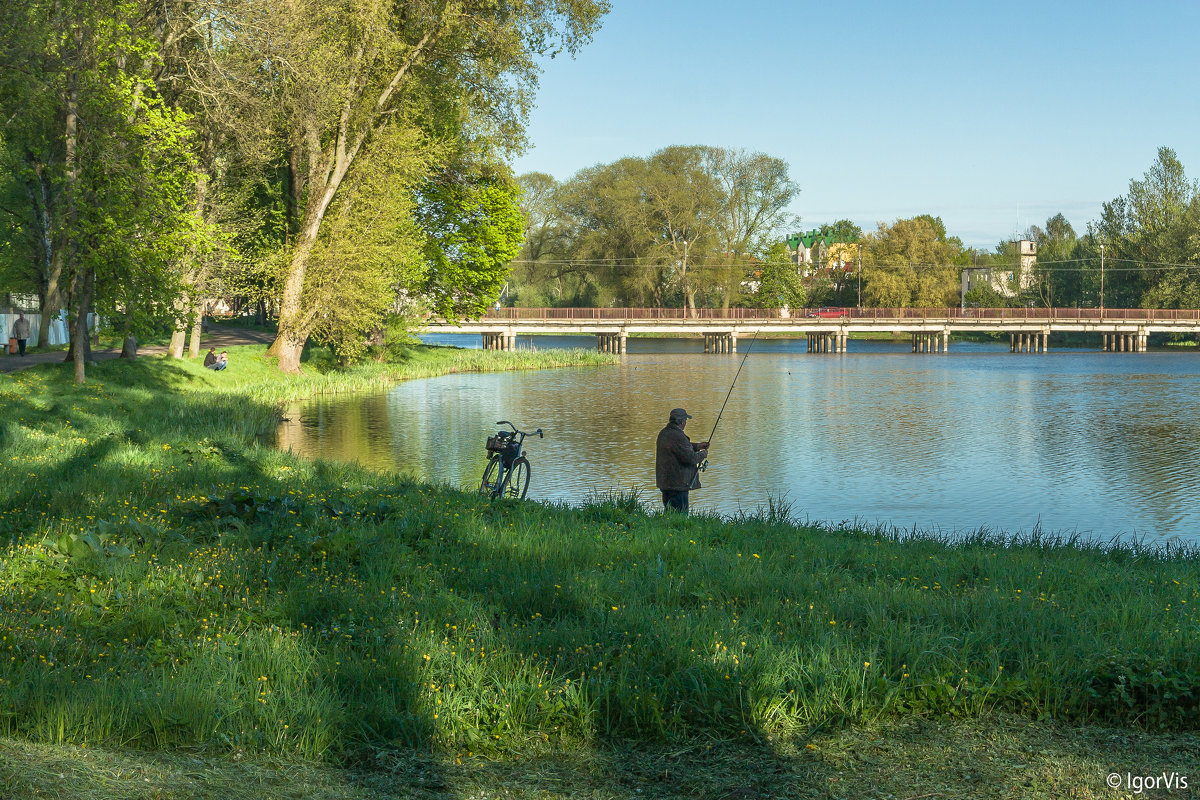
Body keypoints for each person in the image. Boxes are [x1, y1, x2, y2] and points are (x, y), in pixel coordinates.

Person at [655, 407, 709, 514]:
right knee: (680, 515)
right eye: (685, 420)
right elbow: (691, 458)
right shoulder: (678, 436)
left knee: (670, 514)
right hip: (678, 485)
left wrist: (697, 446)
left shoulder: (664, 433)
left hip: (666, 484)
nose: (685, 423)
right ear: (681, 421)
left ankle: (669, 529)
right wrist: (703, 454)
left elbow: (679, 448)